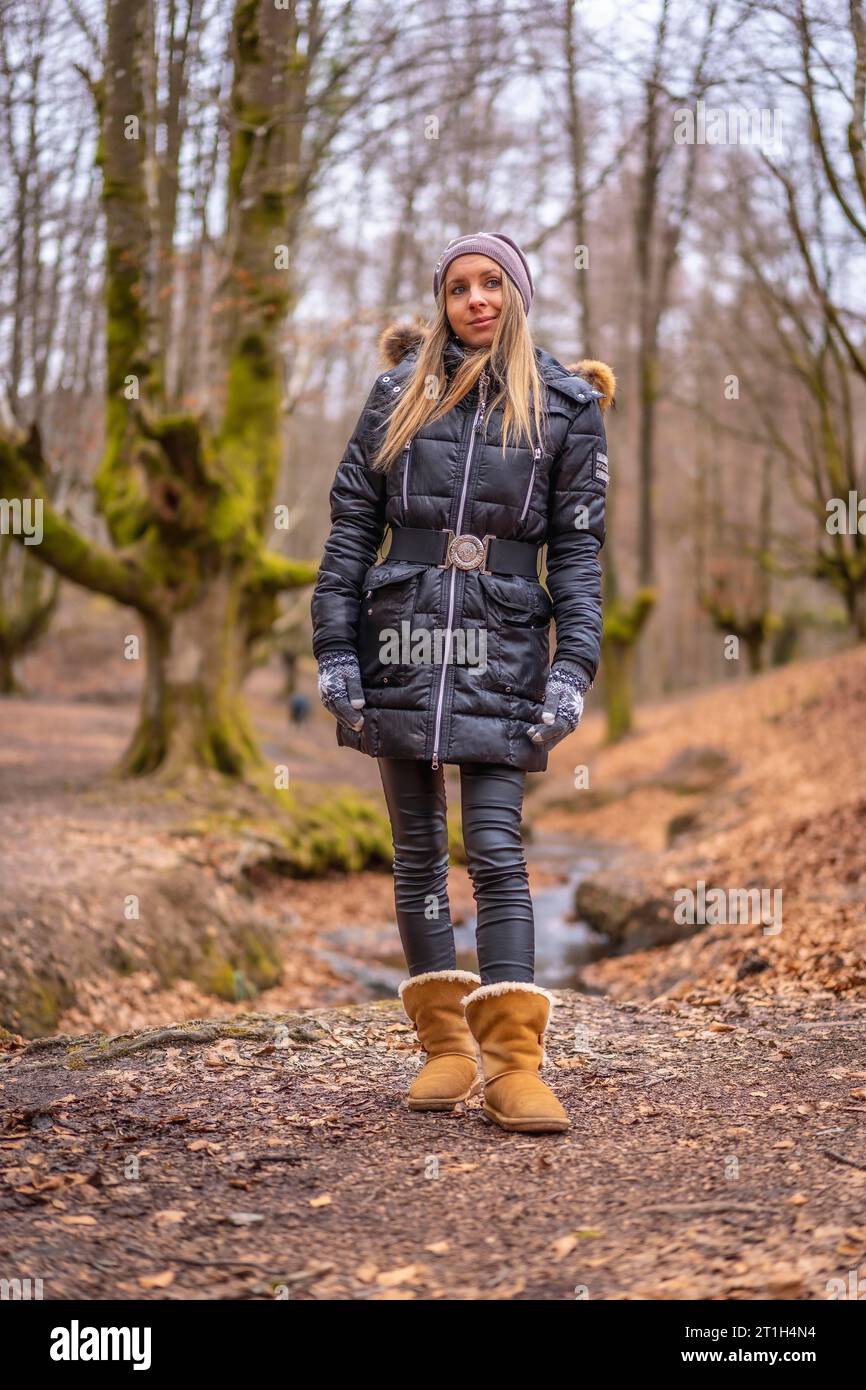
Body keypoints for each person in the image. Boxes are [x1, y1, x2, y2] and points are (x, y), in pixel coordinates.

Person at [311, 232, 614, 1134]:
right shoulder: (396, 395)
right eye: (457, 288)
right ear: (440, 301)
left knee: (496, 850)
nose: (475, 300)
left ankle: (515, 1065)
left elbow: (582, 554)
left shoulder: (565, 405)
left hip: (504, 644)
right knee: (415, 855)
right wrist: (333, 649)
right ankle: (443, 1049)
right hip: (396, 635)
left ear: (517, 295)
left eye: (492, 285)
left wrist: (573, 668)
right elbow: (349, 527)